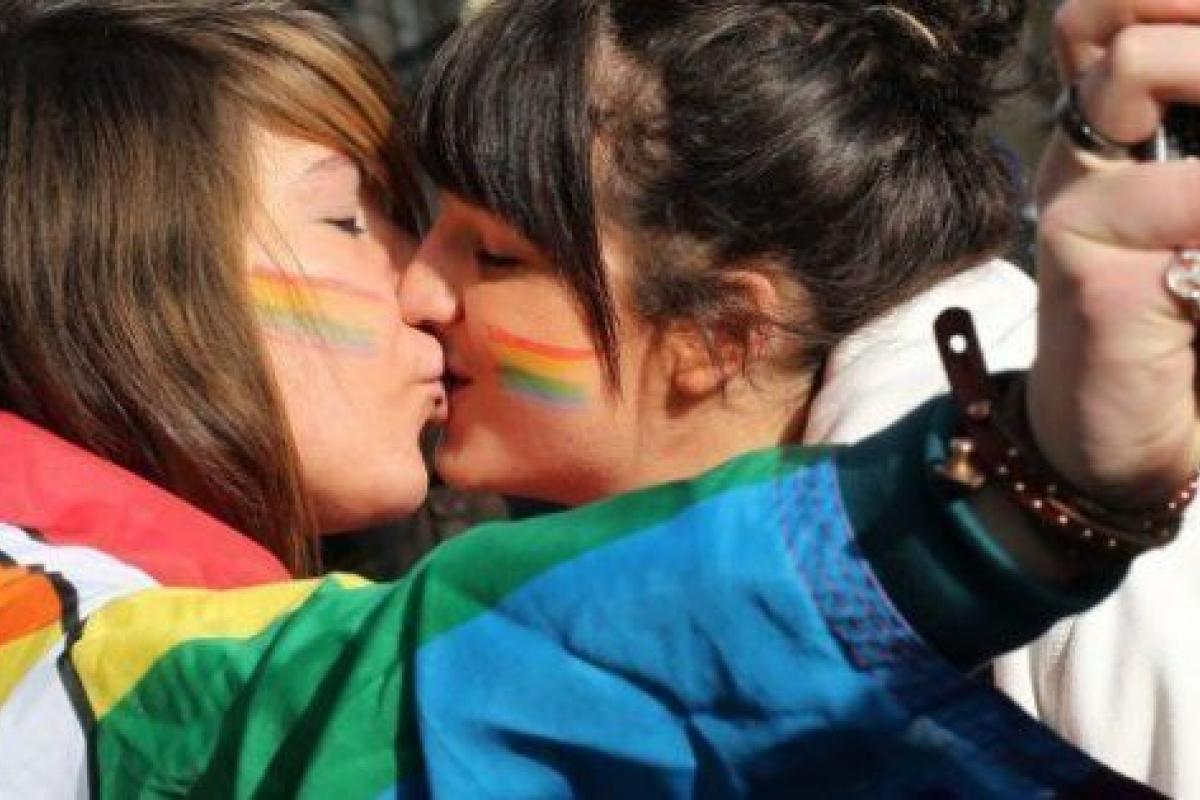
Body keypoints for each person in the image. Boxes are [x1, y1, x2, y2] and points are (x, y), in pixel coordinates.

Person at [0, 1, 1188, 797]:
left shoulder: (1118, 536)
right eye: (351, 220)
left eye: (492, 251)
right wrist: (1009, 499)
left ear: (720, 332)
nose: (419, 288)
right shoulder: (57, 642)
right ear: (117, 277)